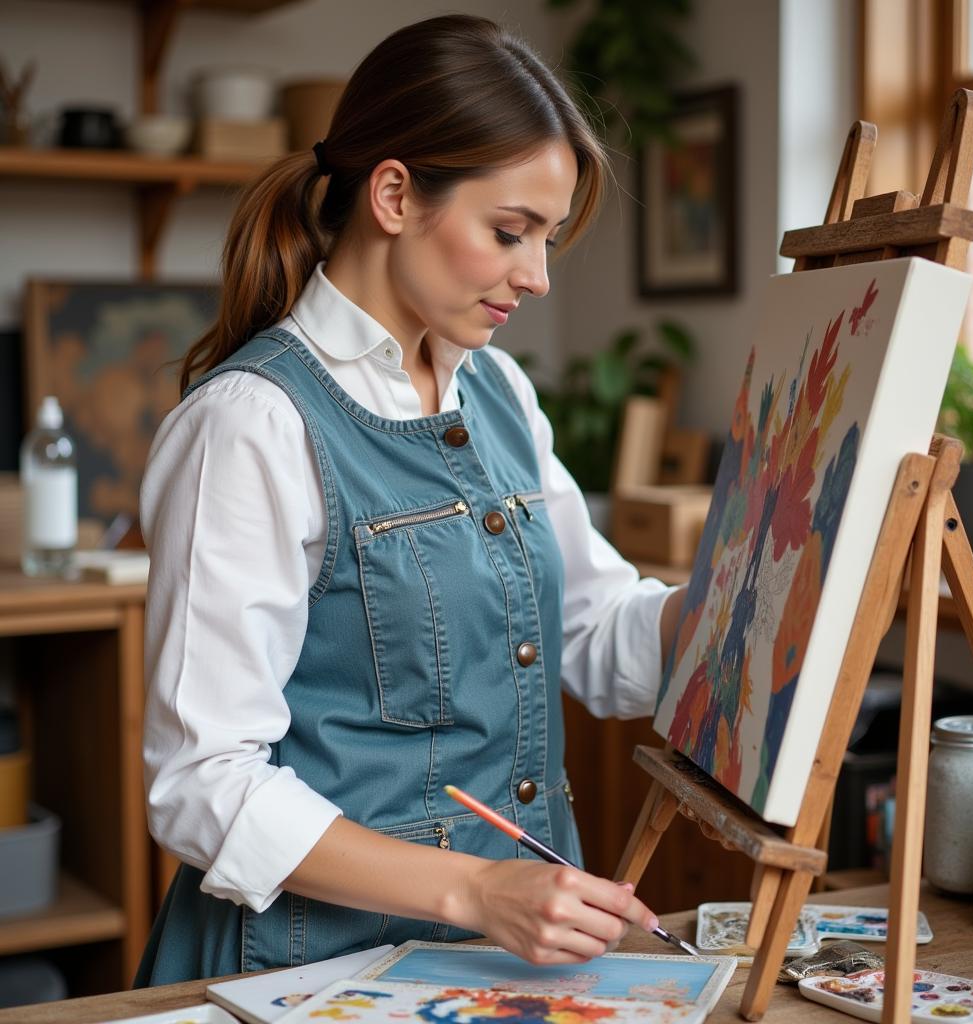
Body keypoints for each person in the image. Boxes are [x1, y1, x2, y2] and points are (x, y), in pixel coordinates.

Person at [135, 14, 687, 986]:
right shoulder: (253, 424)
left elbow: (599, 638)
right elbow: (200, 783)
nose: (538, 276)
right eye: (509, 232)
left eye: (547, 239)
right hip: (312, 969)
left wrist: (759, 592)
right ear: (393, 194)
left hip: (498, 963)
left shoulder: (500, 392)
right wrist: (475, 889)